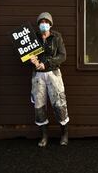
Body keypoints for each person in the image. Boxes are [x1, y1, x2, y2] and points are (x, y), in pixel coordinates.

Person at [30, 12, 69, 147]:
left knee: (59, 103)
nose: (44, 24)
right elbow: (27, 54)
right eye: (41, 22)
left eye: (46, 22)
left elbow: (62, 56)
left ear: (50, 24)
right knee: (39, 105)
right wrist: (32, 60)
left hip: (53, 73)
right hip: (38, 76)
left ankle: (64, 134)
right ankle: (44, 136)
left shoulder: (56, 37)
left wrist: (47, 63)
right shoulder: (33, 37)